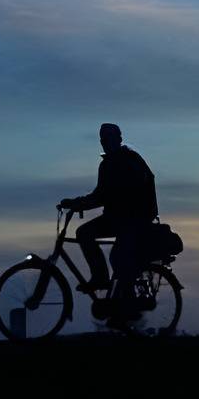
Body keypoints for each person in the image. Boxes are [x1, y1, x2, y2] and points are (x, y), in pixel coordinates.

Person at [60, 123, 159, 307]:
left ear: (118, 139)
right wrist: (78, 203)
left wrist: (77, 204)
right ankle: (112, 292)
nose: (105, 143)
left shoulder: (126, 162)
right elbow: (102, 195)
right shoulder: (112, 163)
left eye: (109, 139)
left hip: (132, 219)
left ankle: (111, 287)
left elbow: (104, 196)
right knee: (89, 236)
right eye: (103, 139)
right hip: (121, 218)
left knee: (113, 253)